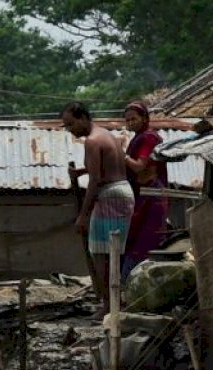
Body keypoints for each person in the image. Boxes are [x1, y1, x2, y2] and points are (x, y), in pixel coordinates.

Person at [64, 102, 135, 320]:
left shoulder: (92, 141)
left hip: (110, 196)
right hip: (122, 192)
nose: (70, 129)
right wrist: (82, 170)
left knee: (102, 254)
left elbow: (96, 179)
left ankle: (109, 305)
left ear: (83, 118)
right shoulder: (105, 134)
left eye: (71, 124)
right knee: (113, 251)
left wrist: (83, 215)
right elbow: (108, 164)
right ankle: (114, 302)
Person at [122, 100, 168, 279]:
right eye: (127, 121)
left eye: (134, 119)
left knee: (146, 239)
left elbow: (139, 166)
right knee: (135, 238)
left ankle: (138, 282)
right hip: (141, 196)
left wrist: (122, 155)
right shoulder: (139, 137)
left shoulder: (149, 137)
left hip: (152, 196)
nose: (130, 123)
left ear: (145, 118)